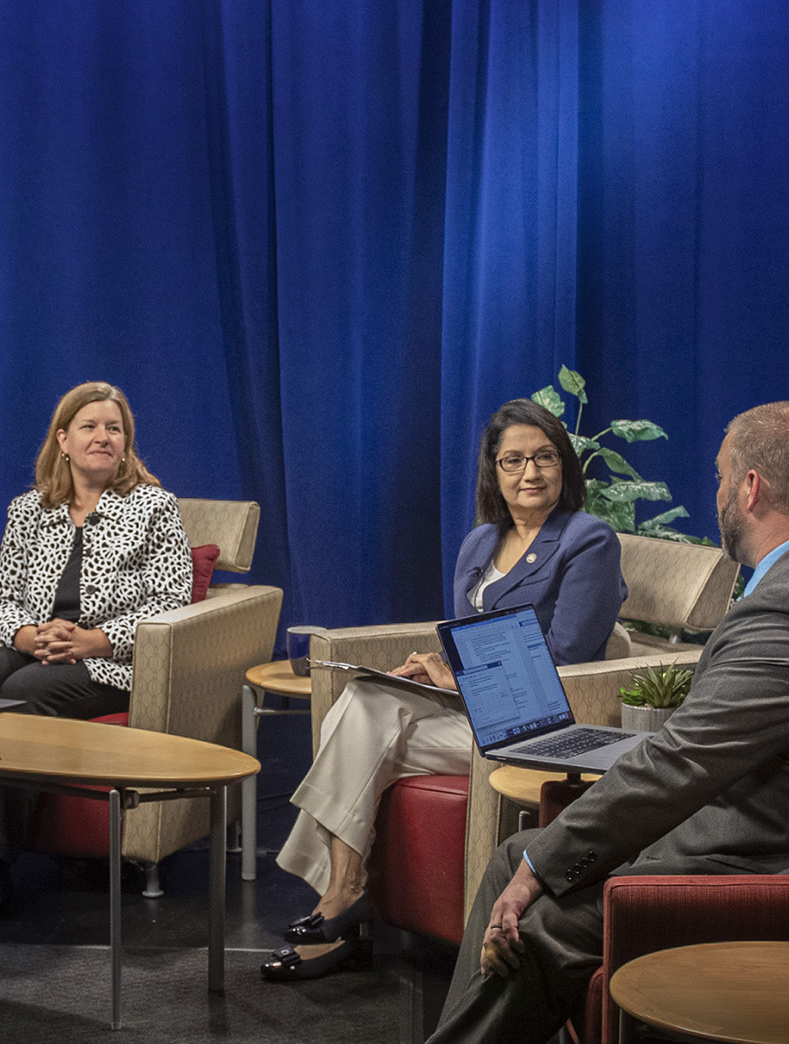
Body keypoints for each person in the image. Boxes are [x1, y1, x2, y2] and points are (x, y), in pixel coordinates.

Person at [258, 401, 789, 1044]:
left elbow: (679, 765)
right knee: (516, 856)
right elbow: (700, 753)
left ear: (748, 487)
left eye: (716, 479)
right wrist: (541, 860)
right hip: (765, 833)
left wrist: (551, 867)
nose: (714, 496)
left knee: (546, 908)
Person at [265, 399, 626, 981]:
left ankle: (341, 901)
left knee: (351, 732)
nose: (530, 473)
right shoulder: (479, 543)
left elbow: (567, 662)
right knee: (362, 704)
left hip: (538, 726)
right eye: (513, 461)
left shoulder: (588, 541)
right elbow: (466, 639)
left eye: (544, 457)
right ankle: (344, 894)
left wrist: (457, 675)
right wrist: (437, 665)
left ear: (564, 466)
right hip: (472, 713)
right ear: (494, 472)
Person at [0, 381, 193, 928]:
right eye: (90, 427)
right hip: (36, 645)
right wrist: (24, 636)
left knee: (22, 695)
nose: (103, 437)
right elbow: (0, 599)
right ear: (63, 440)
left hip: (110, 661)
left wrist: (99, 639)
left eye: (114, 428)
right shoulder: (28, 510)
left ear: (126, 442)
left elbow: (173, 598)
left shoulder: (153, 507)